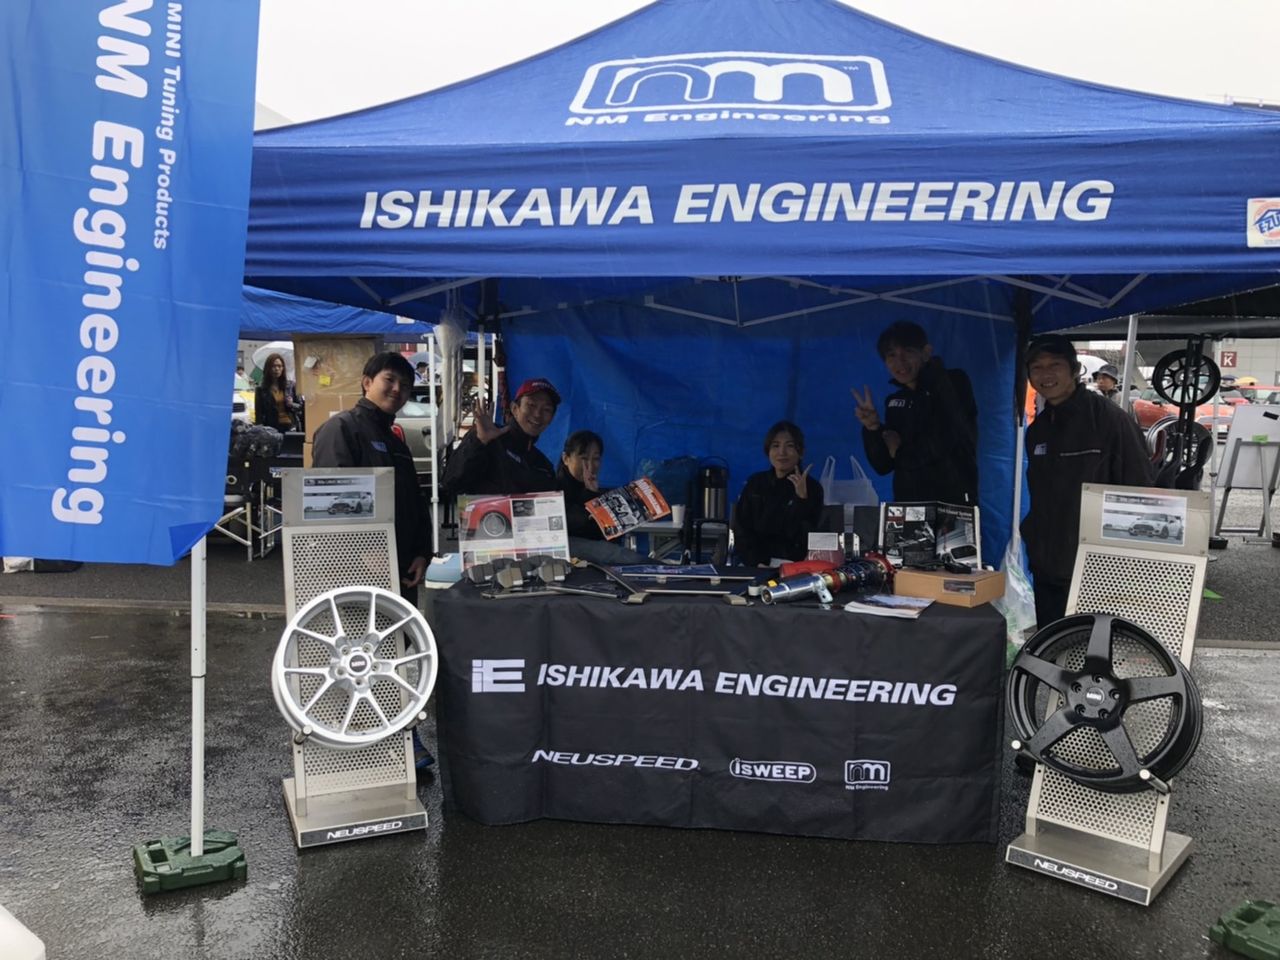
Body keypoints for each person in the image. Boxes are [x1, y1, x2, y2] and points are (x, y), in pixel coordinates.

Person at [311, 352, 434, 771]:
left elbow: (415, 503)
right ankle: (372, 743)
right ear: (367, 382)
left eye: (405, 385)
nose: (397, 389)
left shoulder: (395, 440)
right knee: (359, 658)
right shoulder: (341, 429)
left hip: (400, 569)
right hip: (355, 572)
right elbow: (331, 499)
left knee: (394, 655)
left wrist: (422, 553)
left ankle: (394, 736)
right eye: (389, 380)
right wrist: (362, 549)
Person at [1022, 335, 1154, 626]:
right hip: (1047, 565)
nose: (1046, 374)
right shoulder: (1038, 429)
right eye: (1037, 367)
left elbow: (1141, 488)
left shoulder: (1110, 420)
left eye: (1055, 365)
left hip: (1097, 569)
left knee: (1092, 645)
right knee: (1052, 642)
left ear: (1073, 370)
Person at [853, 321, 978, 505]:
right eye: (891, 355)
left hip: (953, 504)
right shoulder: (895, 402)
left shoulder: (953, 381)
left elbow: (943, 439)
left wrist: (899, 452)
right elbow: (883, 466)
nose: (900, 362)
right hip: (907, 507)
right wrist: (873, 429)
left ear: (926, 352)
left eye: (908, 352)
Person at [441, 378, 560, 497]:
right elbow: (451, 483)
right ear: (514, 409)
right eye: (531, 405)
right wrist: (478, 442)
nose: (537, 414)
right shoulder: (490, 440)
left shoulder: (544, 466)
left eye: (546, 409)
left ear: (552, 418)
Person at [732, 420, 826, 567]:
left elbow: (805, 537)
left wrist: (801, 500)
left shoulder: (812, 488)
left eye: (790, 446)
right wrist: (756, 562)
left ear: (801, 452)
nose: (782, 452)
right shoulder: (755, 483)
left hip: (792, 565)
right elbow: (741, 528)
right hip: (753, 564)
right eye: (775, 446)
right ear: (768, 451)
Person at [556, 430, 648, 565]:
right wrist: (590, 495)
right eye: (583, 458)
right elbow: (576, 524)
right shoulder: (555, 489)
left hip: (600, 555)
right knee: (624, 557)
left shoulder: (598, 491)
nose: (590, 466)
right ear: (566, 458)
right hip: (568, 549)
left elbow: (607, 533)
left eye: (596, 459)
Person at [254, 352, 301, 432]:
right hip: (271, 428)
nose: (277, 369)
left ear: (283, 368)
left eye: (279, 366)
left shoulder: (290, 386)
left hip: (290, 427)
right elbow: (258, 414)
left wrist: (292, 404)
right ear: (268, 368)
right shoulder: (261, 390)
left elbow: (300, 407)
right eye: (273, 366)